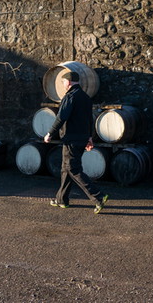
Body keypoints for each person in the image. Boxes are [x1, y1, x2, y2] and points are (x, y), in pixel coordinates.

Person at [44, 71, 109, 213]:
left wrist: (50, 133)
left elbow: (61, 117)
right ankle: (62, 199)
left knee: (73, 169)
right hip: (81, 138)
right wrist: (89, 137)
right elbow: (89, 119)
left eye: (63, 82)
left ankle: (98, 196)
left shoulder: (70, 97)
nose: (63, 84)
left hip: (71, 139)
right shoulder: (85, 97)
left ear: (69, 81)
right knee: (65, 169)